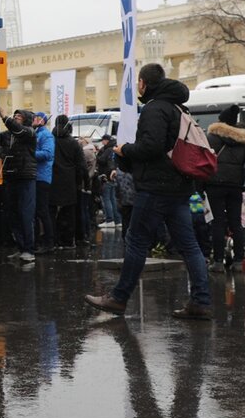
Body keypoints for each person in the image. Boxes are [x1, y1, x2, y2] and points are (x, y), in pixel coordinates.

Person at [84, 63, 212, 320]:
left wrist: (125, 150)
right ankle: (200, 301)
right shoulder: (178, 107)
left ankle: (119, 298)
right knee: (189, 245)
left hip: (156, 187)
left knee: (136, 241)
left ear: (143, 83)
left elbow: (151, 147)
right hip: (179, 187)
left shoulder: (155, 108)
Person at [204, 104, 245, 269]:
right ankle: (238, 261)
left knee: (217, 222)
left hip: (214, 185)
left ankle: (218, 262)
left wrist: (199, 186)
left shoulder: (210, 139)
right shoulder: (242, 141)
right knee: (236, 222)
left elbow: (201, 162)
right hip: (235, 186)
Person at [0, 108, 38, 262]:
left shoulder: (29, 132)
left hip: (26, 177)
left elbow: (17, 129)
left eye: (19, 116)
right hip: (11, 177)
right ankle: (21, 247)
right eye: (14, 116)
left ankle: (29, 250)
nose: (15, 117)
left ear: (26, 120)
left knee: (26, 214)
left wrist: (4, 117)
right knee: (12, 214)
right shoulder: (8, 135)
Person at [49, 116, 84, 248]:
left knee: (51, 212)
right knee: (69, 213)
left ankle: (52, 239)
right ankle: (67, 240)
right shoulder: (73, 143)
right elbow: (81, 165)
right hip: (69, 181)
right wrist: (80, 182)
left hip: (51, 180)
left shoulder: (50, 140)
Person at [32, 112, 55, 252]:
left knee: (42, 211)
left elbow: (48, 154)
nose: (34, 119)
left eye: (37, 118)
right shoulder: (36, 133)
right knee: (36, 211)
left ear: (42, 121)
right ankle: (37, 242)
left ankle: (49, 243)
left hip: (42, 177)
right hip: (36, 176)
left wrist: (30, 153)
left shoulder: (46, 135)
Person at [96, 135, 122, 227]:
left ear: (106, 141)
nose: (102, 142)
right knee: (112, 199)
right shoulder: (115, 148)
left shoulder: (107, 150)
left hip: (106, 176)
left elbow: (102, 160)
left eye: (103, 140)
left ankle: (109, 219)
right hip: (113, 176)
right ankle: (117, 220)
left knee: (106, 199)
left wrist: (97, 154)